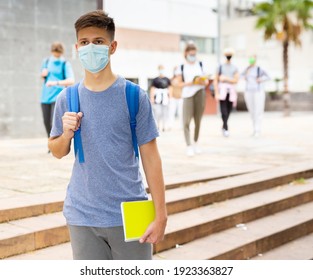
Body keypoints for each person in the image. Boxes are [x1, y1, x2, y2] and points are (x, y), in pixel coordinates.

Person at [48, 10, 167, 260]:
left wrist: (161, 213)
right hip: (82, 216)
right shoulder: (67, 99)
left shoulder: (134, 96)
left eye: (98, 42)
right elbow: (57, 151)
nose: (91, 47)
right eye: (84, 42)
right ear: (77, 47)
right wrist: (66, 134)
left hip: (129, 214)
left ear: (112, 47)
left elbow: (151, 158)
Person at [175, 42, 208, 157]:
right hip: (187, 94)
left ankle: (196, 143)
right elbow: (178, 84)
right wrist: (192, 82)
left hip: (200, 92)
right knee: (186, 121)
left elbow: (206, 81)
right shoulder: (181, 67)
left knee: (198, 120)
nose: (193, 56)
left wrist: (202, 80)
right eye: (191, 54)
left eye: (194, 54)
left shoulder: (200, 64)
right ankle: (188, 145)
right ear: (186, 53)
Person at [40, 42, 74, 139]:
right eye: (55, 54)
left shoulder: (65, 64)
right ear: (51, 52)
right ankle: (50, 142)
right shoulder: (46, 62)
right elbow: (43, 78)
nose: (56, 56)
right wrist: (43, 75)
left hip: (58, 96)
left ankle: (56, 142)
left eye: (58, 54)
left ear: (61, 53)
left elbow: (71, 80)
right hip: (45, 96)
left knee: (53, 122)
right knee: (46, 122)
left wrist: (55, 83)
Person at [242, 54, 270, 137]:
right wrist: (245, 75)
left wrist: (261, 79)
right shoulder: (247, 69)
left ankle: (258, 129)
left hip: (258, 91)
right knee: (252, 111)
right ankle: (254, 128)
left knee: (258, 110)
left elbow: (268, 77)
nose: (251, 60)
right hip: (248, 91)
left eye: (253, 58)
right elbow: (240, 75)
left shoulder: (259, 69)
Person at [214, 47, 239, 137]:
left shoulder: (234, 67)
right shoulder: (220, 67)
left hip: (231, 92)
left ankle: (224, 125)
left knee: (229, 110)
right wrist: (216, 93)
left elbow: (236, 80)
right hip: (222, 92)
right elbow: (216, 80)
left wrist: (226, 78)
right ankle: (226, 127)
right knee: (223, 111)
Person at [150, 65, 172, 131]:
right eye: (160, 69)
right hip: (158, 98)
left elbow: (170, 88)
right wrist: (152, 98)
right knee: (157, 112)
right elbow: (152, 89)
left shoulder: (167, 79)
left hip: (165, 98)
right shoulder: (155, 80)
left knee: (165, 112)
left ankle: (164, 126)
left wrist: (170, 97)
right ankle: (157, 125)